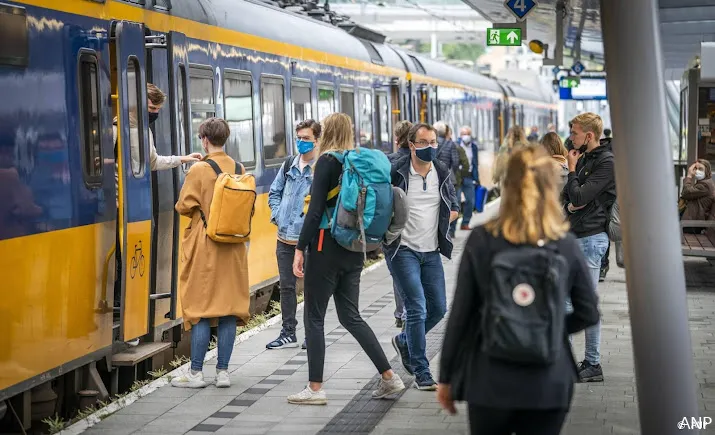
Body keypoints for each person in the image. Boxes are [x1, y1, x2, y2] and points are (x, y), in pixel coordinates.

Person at [437, 145, 600, 435]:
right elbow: (588, 311)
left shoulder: (482, 240)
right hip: (549, 381)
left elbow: (461, 315)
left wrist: (446, 377)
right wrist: (545, 326)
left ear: (506, 185)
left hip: (489, 379)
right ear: (551, 186)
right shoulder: (564, 242)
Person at [287, 113, 405, 405]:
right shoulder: (357, 161)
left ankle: (315, 389)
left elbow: (315, 212)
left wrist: (300, 248)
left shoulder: (327, 162)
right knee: (350, 316)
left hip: (325, 246)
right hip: (354, 247)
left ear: (326, 132)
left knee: (314, 317)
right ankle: (390, 376)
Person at [171, 118, 250, 389]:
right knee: (228, 309)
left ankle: (195, 374)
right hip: (234, 247)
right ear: (225, 138)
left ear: (204, 139)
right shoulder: (239, 168)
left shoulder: (200, 169)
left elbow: (183, 206)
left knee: (200, 309)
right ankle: (223, 373)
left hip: (205, 246)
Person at [386, 123, 459, 391]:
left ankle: (405, 341)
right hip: (402, 249)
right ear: (412, 144)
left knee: (438, 308)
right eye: (423, 142)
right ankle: (421, 370)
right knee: (416, 307)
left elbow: (454, 205)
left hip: (431, 251)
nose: (429, 147)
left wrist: (448, 216)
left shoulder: (441, 170)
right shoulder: (396, 171)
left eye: (433, 142)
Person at [562, 112, 615, 383]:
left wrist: (572, 171)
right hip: (575, 237)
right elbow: (568, 197)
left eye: (574, 133)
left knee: (581, 303)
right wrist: (572, 201)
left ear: (589, 135)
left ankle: (591, 363)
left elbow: (580, 195)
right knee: (568, 302)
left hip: (591, 238)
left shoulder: (606, 162)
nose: (571, 138)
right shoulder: (585, 158)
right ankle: (574, 363)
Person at [266, 120, 321, 350]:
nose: (301, 142)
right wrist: (278, 215)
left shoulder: (320, 168)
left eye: (306, 138)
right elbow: (274, 192)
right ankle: (288, 332)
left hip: (308, 240)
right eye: (299, 137)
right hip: (284, 238)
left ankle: (311, 335)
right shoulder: (289, 164)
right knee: (287, 287)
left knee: (312, 289)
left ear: (317, 140)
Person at [386, 120, 413, 328]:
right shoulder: (421, 162)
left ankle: (401, 312)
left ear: (396, 139)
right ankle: (410, 312)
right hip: (418, 226)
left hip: (394, 227)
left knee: (399, 271)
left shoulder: (389, 162)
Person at [679, 159, 715, 232]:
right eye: (695, 169)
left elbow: (686, 193)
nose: (697, 171)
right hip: (691, 221)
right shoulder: (704, 182)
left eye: (700, 169)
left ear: (707, 171)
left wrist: (689, 176)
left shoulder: (705, 185)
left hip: (693, 225)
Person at [456, 126, 480, 230]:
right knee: (456, 201)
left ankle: (465, 223)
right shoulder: (455, 145)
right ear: (460, 135)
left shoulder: (474, 147)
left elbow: (475, 163)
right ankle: (452, 227)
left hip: (469, 177)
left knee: (470, 201)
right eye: (463, 134)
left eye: (467, 134)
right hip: (458, 177)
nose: (465, 136)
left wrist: (477, 178)